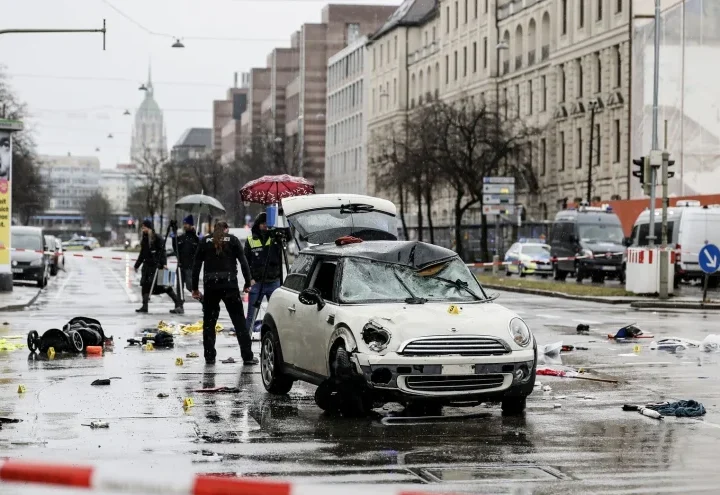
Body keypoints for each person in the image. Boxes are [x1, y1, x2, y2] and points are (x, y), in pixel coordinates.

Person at [192, 221, 257, 365]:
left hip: (211, 285)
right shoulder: (233, 240)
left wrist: (195, 288)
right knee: (239, 321)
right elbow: (243, 262)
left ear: (214, 230)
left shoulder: (205, 241)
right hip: (229, 285)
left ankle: (209, 357)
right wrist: (247, 282)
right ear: (226, 229)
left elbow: (196, 266)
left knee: (209, 323)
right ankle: (247, 356)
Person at [244, 212, 283, 335]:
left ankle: (276, 339)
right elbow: (245, 262)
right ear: (258, 224)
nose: (265, 226)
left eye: (267, 223)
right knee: (251, 316)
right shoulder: (251, 240)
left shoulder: (275, 237)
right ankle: (246, 343)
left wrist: (281, 219)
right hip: (257, 282)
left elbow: (289, 237)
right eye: (263, 223)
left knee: (277, 315)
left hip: (273, 281)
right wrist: (249, 279)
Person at [134, 219, 183, 314]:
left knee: (165, 286)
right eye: (142, 228)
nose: (143, 229)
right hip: (147, 267)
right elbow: (142, 254)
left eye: (144, 227)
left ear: (149, 228)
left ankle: (178, 303)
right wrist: (137, 265)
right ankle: (145, 306)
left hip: (157, 266)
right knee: (145, 286)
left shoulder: (157, 238)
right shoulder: (144, 239)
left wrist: (164, 264)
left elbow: (162, 251)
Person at [173, 215, 200, 309]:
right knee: (179, 287)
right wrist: (174, 233)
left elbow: (199, 251)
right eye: (184, 223)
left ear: (191, 225)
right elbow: (175, 248)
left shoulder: (195, 238)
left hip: (190, 266)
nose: (185, 225)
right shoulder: (181, 237)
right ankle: (179, 305)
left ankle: (203, 300)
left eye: (187, 224)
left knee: (190, 286)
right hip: (181, 265)